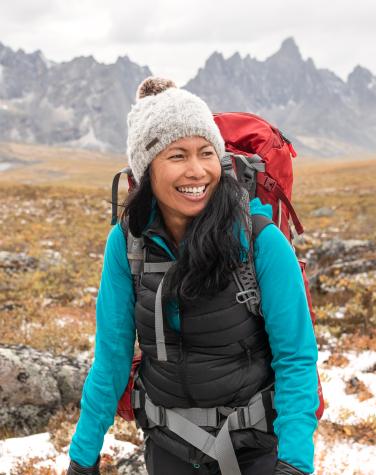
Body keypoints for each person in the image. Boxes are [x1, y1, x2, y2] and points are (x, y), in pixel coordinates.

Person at [67, 77, 319, 475]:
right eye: (177, 156)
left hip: (255, 452)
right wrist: (83, 456)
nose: (197, 171)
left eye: (206, 153)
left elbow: (296, 358)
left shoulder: (261, 242)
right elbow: (112, 354)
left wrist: (296, 463)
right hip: (168, 449)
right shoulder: (127, 243)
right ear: (146, 167)